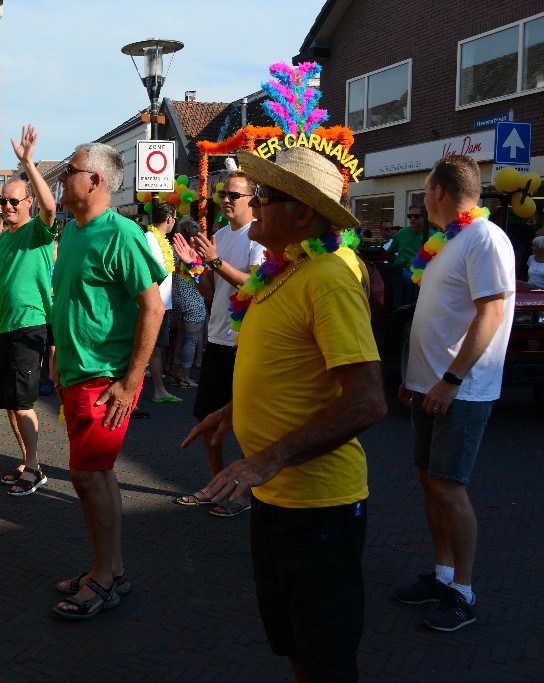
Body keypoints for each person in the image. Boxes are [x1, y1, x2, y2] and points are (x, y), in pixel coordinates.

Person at [181, 145, 387, 681]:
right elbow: (288, 365)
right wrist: (232, 409)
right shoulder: (284, 271)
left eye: (266, 196)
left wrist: (267, 459)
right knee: (295, 638)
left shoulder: (328, 277)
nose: (255, 204)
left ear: (302, 213)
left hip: (317, 502)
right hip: (278, 496)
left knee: (325, 653)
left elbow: (367, 400)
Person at [396, 155, 515, 632]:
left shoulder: (485, 238)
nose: (424, 199)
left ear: (439, 192)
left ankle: (463, 591)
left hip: (461, 392)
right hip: (430, 386)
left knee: (449, 487)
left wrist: (452, 380)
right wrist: (415, 377)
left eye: (425, 191)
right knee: (430, 481)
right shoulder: (446, 241)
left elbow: (492, 311)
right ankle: (443, 575)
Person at [50, 142, 166, 619]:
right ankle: (112, 569)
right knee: (98, 475)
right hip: (79, 375)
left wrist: (131, 378)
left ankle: (103, 578)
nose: (61, 179)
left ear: (95, 180)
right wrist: (59, 353)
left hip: (105, 379)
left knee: (87, 475)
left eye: (69, 171)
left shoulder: (122, 234)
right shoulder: (75, 231)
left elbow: (153, 306)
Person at [171, 170, 264, 517]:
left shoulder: (258, 238)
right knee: (205, 416)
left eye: (234, 195)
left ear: (252, 200)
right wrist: (193, 267)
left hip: (246, 343)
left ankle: (243, 491)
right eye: (223, 193)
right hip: (218, 338)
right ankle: (216, 484)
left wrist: (213, 261)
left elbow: (253, 287)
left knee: (245, 423)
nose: (225, 199)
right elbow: (211, 291)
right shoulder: (221, 235)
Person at [0, 125, 58, 497]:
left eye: (14, 201)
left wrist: (28, 164)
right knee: (11, 403)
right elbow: (2, 287)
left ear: (27, 203)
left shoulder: (37, 232)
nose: (8, 206)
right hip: (8, 328)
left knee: (24, 402)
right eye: (3, 202)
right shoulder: (6, 239)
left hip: (32, 325)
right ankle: (29, 460)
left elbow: (51, 207)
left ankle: (35, 468)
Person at [143, 203, 180, 404]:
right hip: (152, 305)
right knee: (146, 348)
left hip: (162, 305)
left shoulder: (162, 241)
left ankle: (159, 390)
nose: (174, 222)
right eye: (174, 218)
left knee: (156, 349)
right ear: (169, 219)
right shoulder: (149, 240)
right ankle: (140, 393)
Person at [168, 217, 206, 387]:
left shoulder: (172, 250)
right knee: (190, 340)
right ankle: (185, 377)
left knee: (180, 337)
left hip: (175, 298)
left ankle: (175, 373)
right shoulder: (196, 253)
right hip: (193, 300)